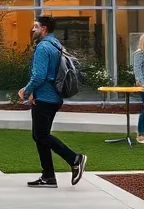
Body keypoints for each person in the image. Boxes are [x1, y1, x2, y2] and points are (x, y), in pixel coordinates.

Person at [19, 16, 87, 189]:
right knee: (39, 136)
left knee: (41, 135)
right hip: (53, 97)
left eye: (35, 26)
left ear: (44, 29)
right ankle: (48, 176)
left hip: (44, 98)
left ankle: (75, 159)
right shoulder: (56, 44)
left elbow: (39, 76)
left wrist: (26, 90)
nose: (33, 29)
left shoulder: (43, 47)